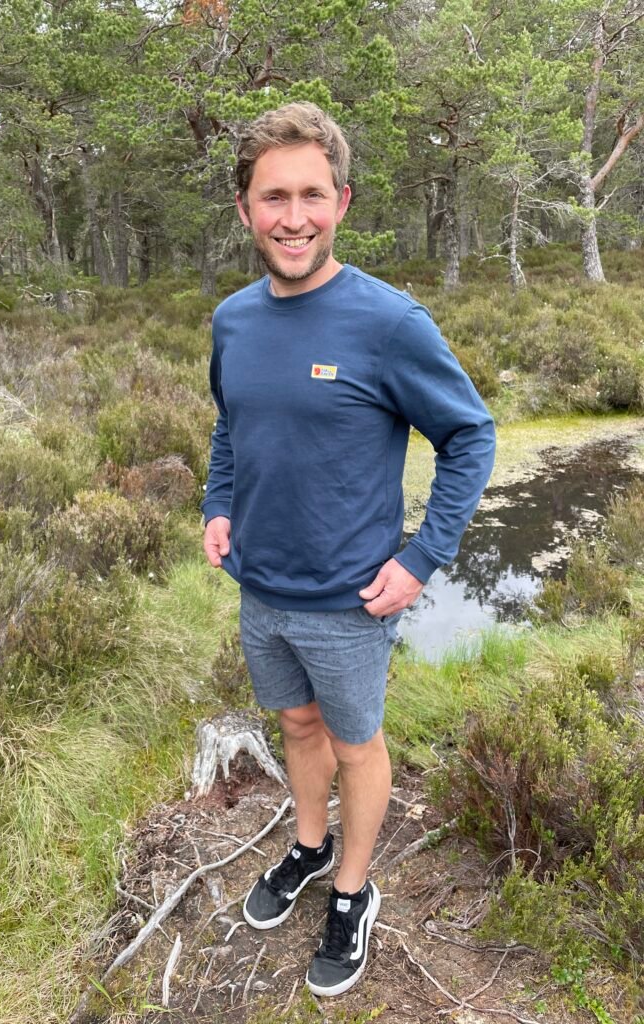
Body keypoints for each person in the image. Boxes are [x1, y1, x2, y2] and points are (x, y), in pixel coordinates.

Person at [201, 101, 495, 998]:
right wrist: (220, 503)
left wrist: (421, 558)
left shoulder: (388, 322)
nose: (294, 217)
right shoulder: (232, 321)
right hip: (261, 588)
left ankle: (352, 892)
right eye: (274, 197)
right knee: (297, 727)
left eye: (312, 195)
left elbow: (470, 435)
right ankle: (307, 845)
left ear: (343, 202)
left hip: (350, 602)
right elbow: (230, 426)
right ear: (246, 209)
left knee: (357, 745)